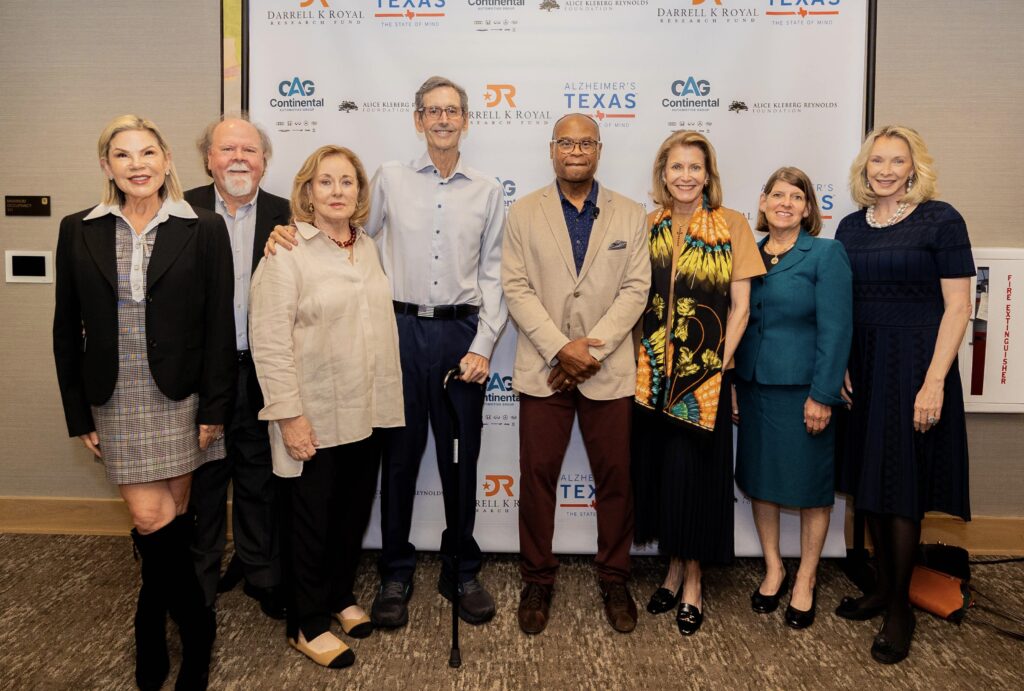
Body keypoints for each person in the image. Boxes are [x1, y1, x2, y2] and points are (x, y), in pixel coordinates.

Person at [266, 76, 507, 629]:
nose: (443, 119)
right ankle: (395, 571)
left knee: (461, 461)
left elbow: (495, 275)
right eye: (432, 111)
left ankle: (460, 569)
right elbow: (347, 239)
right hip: (396, 334)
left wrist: (484, 344)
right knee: (397, 461)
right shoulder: (390, 181)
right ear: (417, 120)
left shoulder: (489, 190)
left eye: (453, 111)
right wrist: (291, 233)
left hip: (461, 338)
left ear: (466, 119)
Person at [52, 114, 235, 690]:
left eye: (148, 152)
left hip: (180, 396)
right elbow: (65, 329)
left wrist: (213, 409)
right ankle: (197, 630)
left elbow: (217, 327)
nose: (138, 165)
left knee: (174, 521)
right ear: (106, 166)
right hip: (116, 396)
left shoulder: (202, 228)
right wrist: (77, 411)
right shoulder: (77, 228)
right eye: (123, 155)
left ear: (167, 159)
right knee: (150, 517)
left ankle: (152, 618)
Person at [249, 145, 404, 669]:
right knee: (309, 521)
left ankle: (338, 596)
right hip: (313, 412)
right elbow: (268, 342)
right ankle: (306, 622)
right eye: (326, 182)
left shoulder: (369, 247)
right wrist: (289, 416)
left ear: (360, 192)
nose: (338, 191)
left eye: (347, 182)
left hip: (366, 408)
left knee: (350, 513)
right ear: (308, 191)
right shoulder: (285, 252)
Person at [502, 113, 651, 635]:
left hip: (607, 369)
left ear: (599, 150)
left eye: (585, 142)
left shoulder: (631, 214)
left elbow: (636, 288)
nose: (576, 150)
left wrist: (589, 351)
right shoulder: (522, 213)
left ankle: (614, 576)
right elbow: (516, 288)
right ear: (552, 149)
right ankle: (537, 579)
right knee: (537, 479)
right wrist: (559, 349)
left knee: (615, 480)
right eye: (566, 142)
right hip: (544, 370)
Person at [833, 125, 974, 664]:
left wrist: (935, 379)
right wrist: (843, 361)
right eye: (876, 161)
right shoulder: (849, 226)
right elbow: (842, 303)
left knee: (902, 485)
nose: (886, 170)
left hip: (917, 366)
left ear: (915, 167)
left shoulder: (942, 219)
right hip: (863, 366)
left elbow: (958, 307)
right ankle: (880, 588)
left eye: (897, 160)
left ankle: (899, 609)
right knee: (869, 481)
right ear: (864, 169)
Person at [632, 130, 765, 636]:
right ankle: (670, 567)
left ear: (708, 175)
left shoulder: (731, 225)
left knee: (695, 482)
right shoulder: (649, 225)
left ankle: (693, 583)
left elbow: (741, 308)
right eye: (676, 167)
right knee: (664, 479)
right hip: (650, 379)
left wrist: (715, 369)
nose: (685, 176)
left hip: (703, 384)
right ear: (662, 175)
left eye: (695, 168)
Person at [733, 166, 853, 629]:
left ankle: (806, 577)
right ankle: (773, 567)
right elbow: (739, 321)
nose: (785, 202)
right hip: (754, 387)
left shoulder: (826, 254)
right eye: (776, 194)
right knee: (760, 480)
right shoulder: (749, 253)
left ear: (809, 208)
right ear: (762, 203)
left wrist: (823, 395)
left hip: (805, 391)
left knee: (810, 488)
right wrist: (736, 385)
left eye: (796, 196)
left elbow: (837, 329)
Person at [185, 115, 291, 620]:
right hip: (198, 376)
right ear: (208, 158)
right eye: (228, 149)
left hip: (260, 372)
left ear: (264, 161)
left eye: (249, 150)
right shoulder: (177, 211)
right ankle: (197, 589)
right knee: (204, 484)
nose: (239, 159)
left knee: (258, 477)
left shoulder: (287, 217)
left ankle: (260, 573)